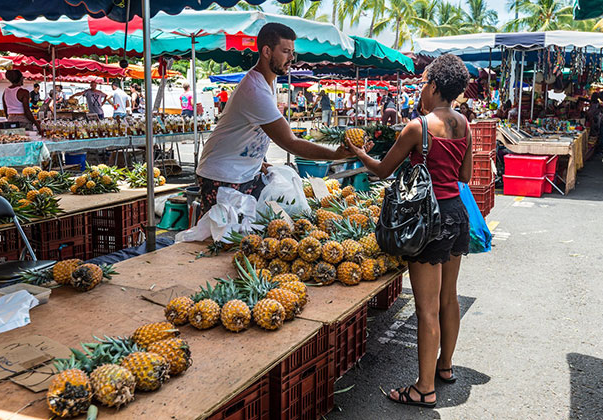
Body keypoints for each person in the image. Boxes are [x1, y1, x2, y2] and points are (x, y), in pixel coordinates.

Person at [345, 54, 472, 409]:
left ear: (433, 86)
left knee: (426, 308)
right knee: (449, 298)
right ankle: (444, 367)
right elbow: (464, 177)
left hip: (425, 221)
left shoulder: (417, 127)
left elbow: (384, 170)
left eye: (423, 82)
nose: (420, 89)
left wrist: (358, 153)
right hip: (455, 215)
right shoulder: (464, 124)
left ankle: (424, 389)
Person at [195, 23, 355, 215]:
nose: (291, 59)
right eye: (286, 51)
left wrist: (256, 162)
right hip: (222, 177)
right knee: (223, 239)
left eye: (292, 52)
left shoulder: (268, 82)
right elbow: (290, 142)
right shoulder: (254, 90)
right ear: (267, 51)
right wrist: (335, 155)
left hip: (243, 173)